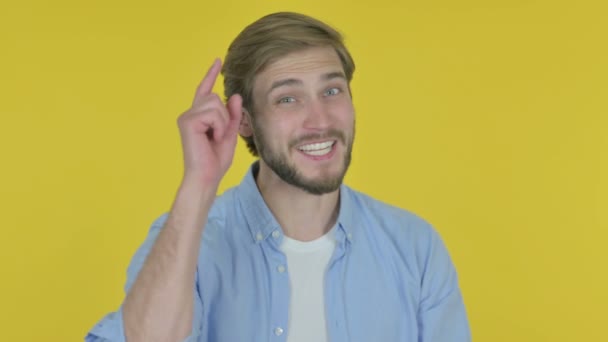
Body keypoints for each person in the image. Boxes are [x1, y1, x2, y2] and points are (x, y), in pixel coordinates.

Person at [86, 12, 470, 342]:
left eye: (332, 90)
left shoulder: (415, 248)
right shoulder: (188, 242)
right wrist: (198, 185)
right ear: (246, 121)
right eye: (288, 98)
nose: (319, 120)